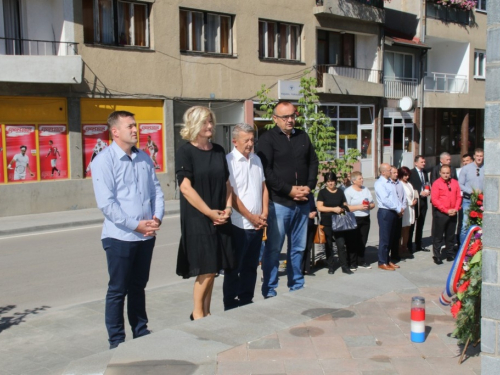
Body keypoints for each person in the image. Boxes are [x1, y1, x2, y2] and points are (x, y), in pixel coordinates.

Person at [91, 110, 164, 350]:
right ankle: (117, 341)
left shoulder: (143, 157)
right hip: (120, 237)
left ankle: (141, 331)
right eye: (130, 126)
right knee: (117, 290)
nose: (135, 130)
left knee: (138, 287)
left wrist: (156, 218)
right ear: (115, 131)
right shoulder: (103, 161)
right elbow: (107, 204)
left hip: (146, 236)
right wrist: (136, 224)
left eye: (136, 125)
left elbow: (156, 191)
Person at [175, 106, 235, 320]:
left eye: (211, 121)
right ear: (193, 125)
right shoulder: (185, 152)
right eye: (204, 122)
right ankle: (198, 314)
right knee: (207, 267)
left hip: (220, 216)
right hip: (198, 218)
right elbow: (185, 188)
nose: (210, 126)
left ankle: (207, 312)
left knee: (214, 269)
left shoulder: (218, 150)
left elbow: (228, 184)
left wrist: (227, 209)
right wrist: (210, 213)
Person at [257, 101, 318, 298]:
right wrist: (289, 190)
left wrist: (309, 186)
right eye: (285, 117)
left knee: (298, 249)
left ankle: (297, 286)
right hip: (279, 204)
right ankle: (270, 290)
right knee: (274, 250)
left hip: (302, 203)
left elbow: (313, 162)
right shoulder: (267, 140)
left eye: (292, 116)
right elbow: (266, 171)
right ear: (275, 119)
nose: (290, 120)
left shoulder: (302, 136)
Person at [223, 123, 268, 310]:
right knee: (234, 268)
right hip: (238, 224)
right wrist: (250, 216)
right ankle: (230, 304)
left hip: (257, 224)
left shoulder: (257, 159)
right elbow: (231, 195)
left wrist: (264, 213)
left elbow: (264, 187)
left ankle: (246, 300)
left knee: (251, 266)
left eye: (252, 139)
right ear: (235, 141)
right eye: (246, 140)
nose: (250, 144)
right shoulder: (228, 161)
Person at [317, 172, 355, 274]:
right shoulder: (322, 193)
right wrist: (333, 209)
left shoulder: (340, 192)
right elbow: (320, 207)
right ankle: (331, 265)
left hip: (339, 222)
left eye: (332, 181)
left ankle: (344, 266)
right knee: (328, 245)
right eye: (328, 181)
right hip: (327, 222)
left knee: (341, 244)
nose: (330, 183)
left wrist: (343, 208)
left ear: (335, 181)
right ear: (325, 182)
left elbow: (345, 204)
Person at [374, 163, 404, 271]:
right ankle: (382, 261)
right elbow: (385, 200)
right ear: (383, 172)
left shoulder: (391, 182)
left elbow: (396, 197)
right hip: (385, 212)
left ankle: (387, 259)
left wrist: (400, 208)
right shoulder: (380, 183)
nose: (391, 171)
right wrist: (397, 208)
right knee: (385, 238)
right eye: (389, 170)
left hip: (394, 211)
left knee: (392, 238)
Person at [431, 165, 462, 264]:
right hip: (441, 213)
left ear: (450, 173)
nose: (445, 175)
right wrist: (445, 210)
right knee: (438, 236)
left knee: (450, 235)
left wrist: (456, 209)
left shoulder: (455, 183)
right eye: (443, 173)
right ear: (440, 173)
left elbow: (458, 197)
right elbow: (435, 200)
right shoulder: (436, 183)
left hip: (453, 212)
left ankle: (450, 253)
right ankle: (437, 255)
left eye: (447, 173)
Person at [344, 171, 375, 269]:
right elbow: (346, 207)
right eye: (360, 179)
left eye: (362, 178)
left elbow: (372, 203)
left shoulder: (365, 189)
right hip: (354, 217)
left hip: (365, 217)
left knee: (363, 240)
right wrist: (359, 207)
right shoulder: (348, 191)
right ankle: (352, 262)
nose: (362, 180)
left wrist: (369, 206)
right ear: (353, 181)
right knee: (352, 241)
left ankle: (361, 260)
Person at [458, 148, 484, 244]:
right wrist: (471, 191)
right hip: (468, 200)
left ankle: (476, 247)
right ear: (474, 156)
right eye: (477, 156)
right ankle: (463, 249)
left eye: (481, 156)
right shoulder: (466, 169)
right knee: (465, 225)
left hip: (481, 201)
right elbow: (460, 184)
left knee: (479, 225)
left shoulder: (486, 168)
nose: (479, 158)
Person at [408, 155, 431, 253]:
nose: (424, 164)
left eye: (424, 162)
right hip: (415, 201)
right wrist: (418, 192)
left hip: (423, 201)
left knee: (421, 224)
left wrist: (427, 190)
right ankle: (409, 245)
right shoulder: (411, 173)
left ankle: (418, 244)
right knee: (412, 224)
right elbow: (409, 186)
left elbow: (426, 183)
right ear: (416, 163)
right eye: (422, 162)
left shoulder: (425, 173)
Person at [389, 166, 407, 267]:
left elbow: (403, 198)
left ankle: (395, 254)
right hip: (392, 212)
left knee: (397, 235)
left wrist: (402, 208)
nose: (396, 174)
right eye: (394, 173)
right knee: (390, 235)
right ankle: (389, 256)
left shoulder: (399, 183)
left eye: (397, 173)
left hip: (400, 212)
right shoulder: (388, 184)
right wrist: (397, 209)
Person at [398, 167, 417, 259]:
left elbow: (413, 193)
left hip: (411, 208)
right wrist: (410, 202)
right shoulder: (400, 184)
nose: (407, 177)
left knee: (408, 228)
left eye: (408, 175)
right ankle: (399, 248)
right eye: (405, 175)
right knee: (402, 228)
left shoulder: (409, 183)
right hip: (405, 209)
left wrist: (415, 199)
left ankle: (404, 246)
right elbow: (403, 196)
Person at [455, 153, 473, 246]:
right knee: (463, 222)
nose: (466, 163)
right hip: (462, 199)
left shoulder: (475, 170)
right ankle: (461, 244)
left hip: (474, 198)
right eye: (464, 161)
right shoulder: (459, 171)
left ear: (471, 161)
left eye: (467, 161)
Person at [302, 193, 318, 275]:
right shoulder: (298, 194)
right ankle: (300, 268)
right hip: (301, 224)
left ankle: (307, 268)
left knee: (308, 246)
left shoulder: (310, 194)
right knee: (301, 247)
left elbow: (313, 207)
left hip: (310, 224)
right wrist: (307, 214)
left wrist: (315, 212)